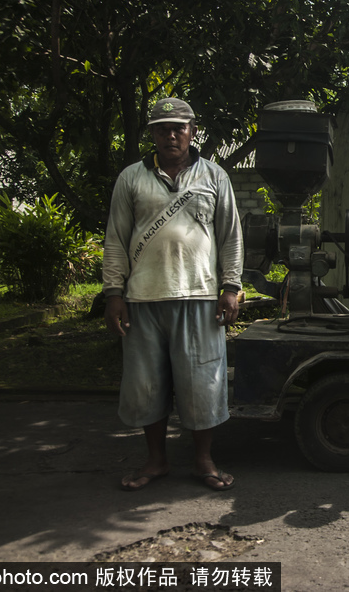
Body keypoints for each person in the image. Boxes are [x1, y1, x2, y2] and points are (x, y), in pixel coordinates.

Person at [102, 97, 243, 492]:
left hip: (200, 296)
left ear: (192, 132)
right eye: (162, 128)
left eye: (178, 128)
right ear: (153, 134)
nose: (171, 135)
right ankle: (156, 460)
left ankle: (203, 461)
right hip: (142, 299)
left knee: (202, 385)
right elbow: (115, 239)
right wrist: (114, 294)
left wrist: (231, 287)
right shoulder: (131, 178)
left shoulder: (214, 176)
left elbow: (231, 236)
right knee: (146, 385)